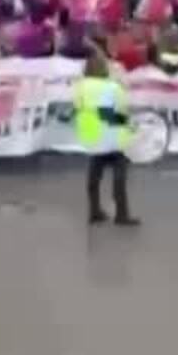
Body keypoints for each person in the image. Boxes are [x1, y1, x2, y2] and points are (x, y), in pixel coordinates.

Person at [74, 49, 139, 226]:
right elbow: (119, 112)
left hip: (93, 136)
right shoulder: (113, 88)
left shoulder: (80, 87)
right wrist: (130, 125)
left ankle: (94, 210)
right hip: (114, 138)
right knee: (119, 178)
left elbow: (79, 107)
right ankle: (121, 214)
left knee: (94, 175)